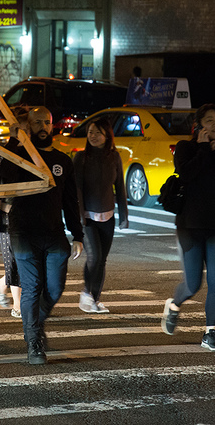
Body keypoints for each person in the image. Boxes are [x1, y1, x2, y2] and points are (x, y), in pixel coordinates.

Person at [0, 106, 84, 365]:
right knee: (32, 287)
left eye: (46, 122)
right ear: (29, 127)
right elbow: (3, 180)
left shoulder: (63, 160)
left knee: (56, 288)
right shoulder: (18, 156)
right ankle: (34, 341)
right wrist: (16, 141)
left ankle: (33, 321)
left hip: (54, 233)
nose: (43, 127)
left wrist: (77, 235)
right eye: (37, 123)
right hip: (23, 232)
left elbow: (70, 201)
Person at [161, 104, 215, 351]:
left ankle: (210, 332)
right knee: (193, 284)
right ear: (197, 125)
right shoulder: (186, 147)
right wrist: (203, 147)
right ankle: (174, 305)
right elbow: (185, 174)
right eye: (209, 120)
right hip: (190, 225)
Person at [73, 118, 128, 314]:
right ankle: (86, 293)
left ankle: (94, 299)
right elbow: (76, 188)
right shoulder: (81, 158)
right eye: (90, 132)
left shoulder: (114, 157)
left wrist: (123, 215)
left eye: (97, 132)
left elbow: (119, 186)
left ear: (107, 136)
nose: (93, 136)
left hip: (108, 216)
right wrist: (79, 217)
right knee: (94, 257)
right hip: (87, 218)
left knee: (102, 259)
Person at [0, 108, 30, 319]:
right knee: (12, 261)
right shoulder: (3, 152)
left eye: (26, 130)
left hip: (30, 215)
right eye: (18, 130)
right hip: (7, 214)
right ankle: (18, 306)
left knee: (23, 260)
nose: (23, 134)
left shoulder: (35, 154)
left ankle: (2, 283)